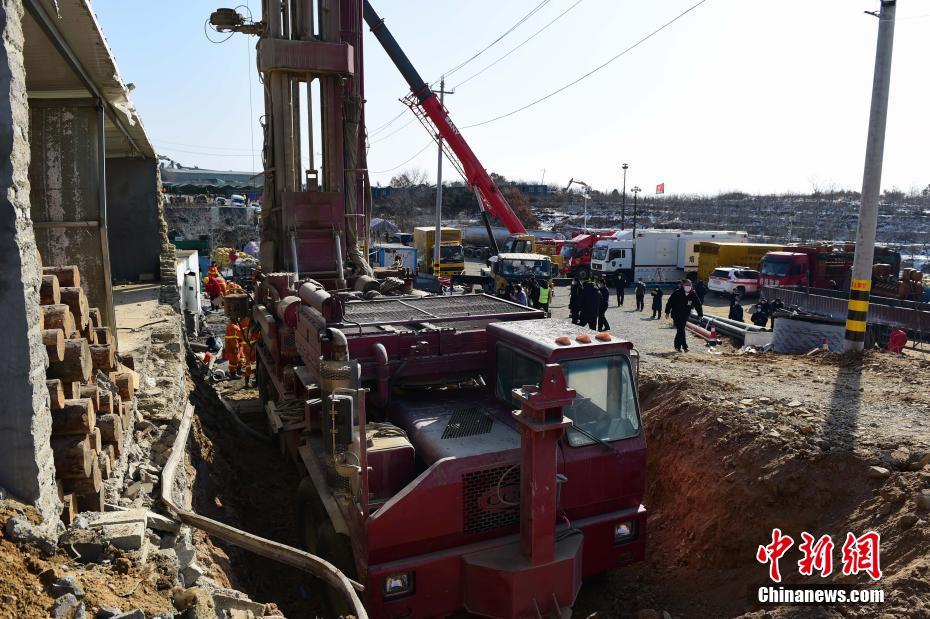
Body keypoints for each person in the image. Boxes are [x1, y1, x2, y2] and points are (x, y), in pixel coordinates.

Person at [665, 279, 703, 352]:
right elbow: (669, 302)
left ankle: (677, 346)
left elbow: (698, 304)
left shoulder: (693, 294)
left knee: (680, 330)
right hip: (676, 314)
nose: (688, 286)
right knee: (681, 329)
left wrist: (700, 314)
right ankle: (685, 347)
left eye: (690, 285)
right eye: (687, 285)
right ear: (683, 285)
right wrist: (667, 312)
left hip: (685, 314)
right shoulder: (677, 292)